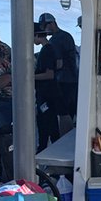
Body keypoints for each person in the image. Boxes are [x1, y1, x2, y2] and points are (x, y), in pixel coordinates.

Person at [38, 13, 78, 121]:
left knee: (62, 113)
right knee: (68, 113)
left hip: (63, 82)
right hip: (71, 81)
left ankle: (64, 136)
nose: (44, 29)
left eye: (44, 26)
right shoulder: (66, 36)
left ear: (52, 23)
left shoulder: (56, 40)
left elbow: (58, 63)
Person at [33, 23, 61, 152]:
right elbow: (59, 64)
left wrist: (29, 77)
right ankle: (51, 150)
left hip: (46, 94)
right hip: (51, 93)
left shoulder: (46, 51)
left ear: (37, 35)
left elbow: (49, 74)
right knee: (51, 125)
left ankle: (44, 150)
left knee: (46, 125)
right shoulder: (51, 49)